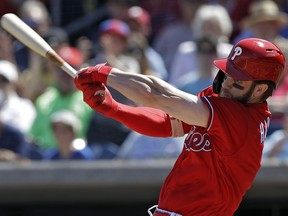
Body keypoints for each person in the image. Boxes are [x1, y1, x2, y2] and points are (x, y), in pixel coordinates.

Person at [74, 37, 285, 215]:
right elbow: (168, 123)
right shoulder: (219, 100)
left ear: (259, 90)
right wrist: (115, 109)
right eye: (227, 74)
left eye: (238, 80)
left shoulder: (242, 120)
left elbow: (157, 95)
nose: (227, 83)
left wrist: (103, 73)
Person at [29, 46, 93, 150]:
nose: (64, 74)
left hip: (76, 158)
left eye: (70, 68)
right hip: (46, 158)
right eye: (60, 69)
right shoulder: (44, 99)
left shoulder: (89, 100)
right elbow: (32, 136)